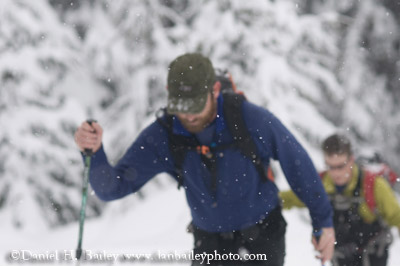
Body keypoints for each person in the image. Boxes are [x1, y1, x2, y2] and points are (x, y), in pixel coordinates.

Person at [74, 53, 335, 265]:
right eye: (181, 107)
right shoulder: (164, 134)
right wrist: (94, 154)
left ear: (216, 91)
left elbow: (298, 164)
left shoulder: (249, 119)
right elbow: (113, 187)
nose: (188, 117)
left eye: (195, 107)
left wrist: (323, 221)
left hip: (262, 239)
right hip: (209, 245)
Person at [280, 133, 400, 266]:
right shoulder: (319, 185)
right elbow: (288, 199)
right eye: (330, 167)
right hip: (341, 258)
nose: (336, 173)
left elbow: (397, 216)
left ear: (351, 160)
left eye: (340, 166)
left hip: (373, 257)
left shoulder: (373, 185)